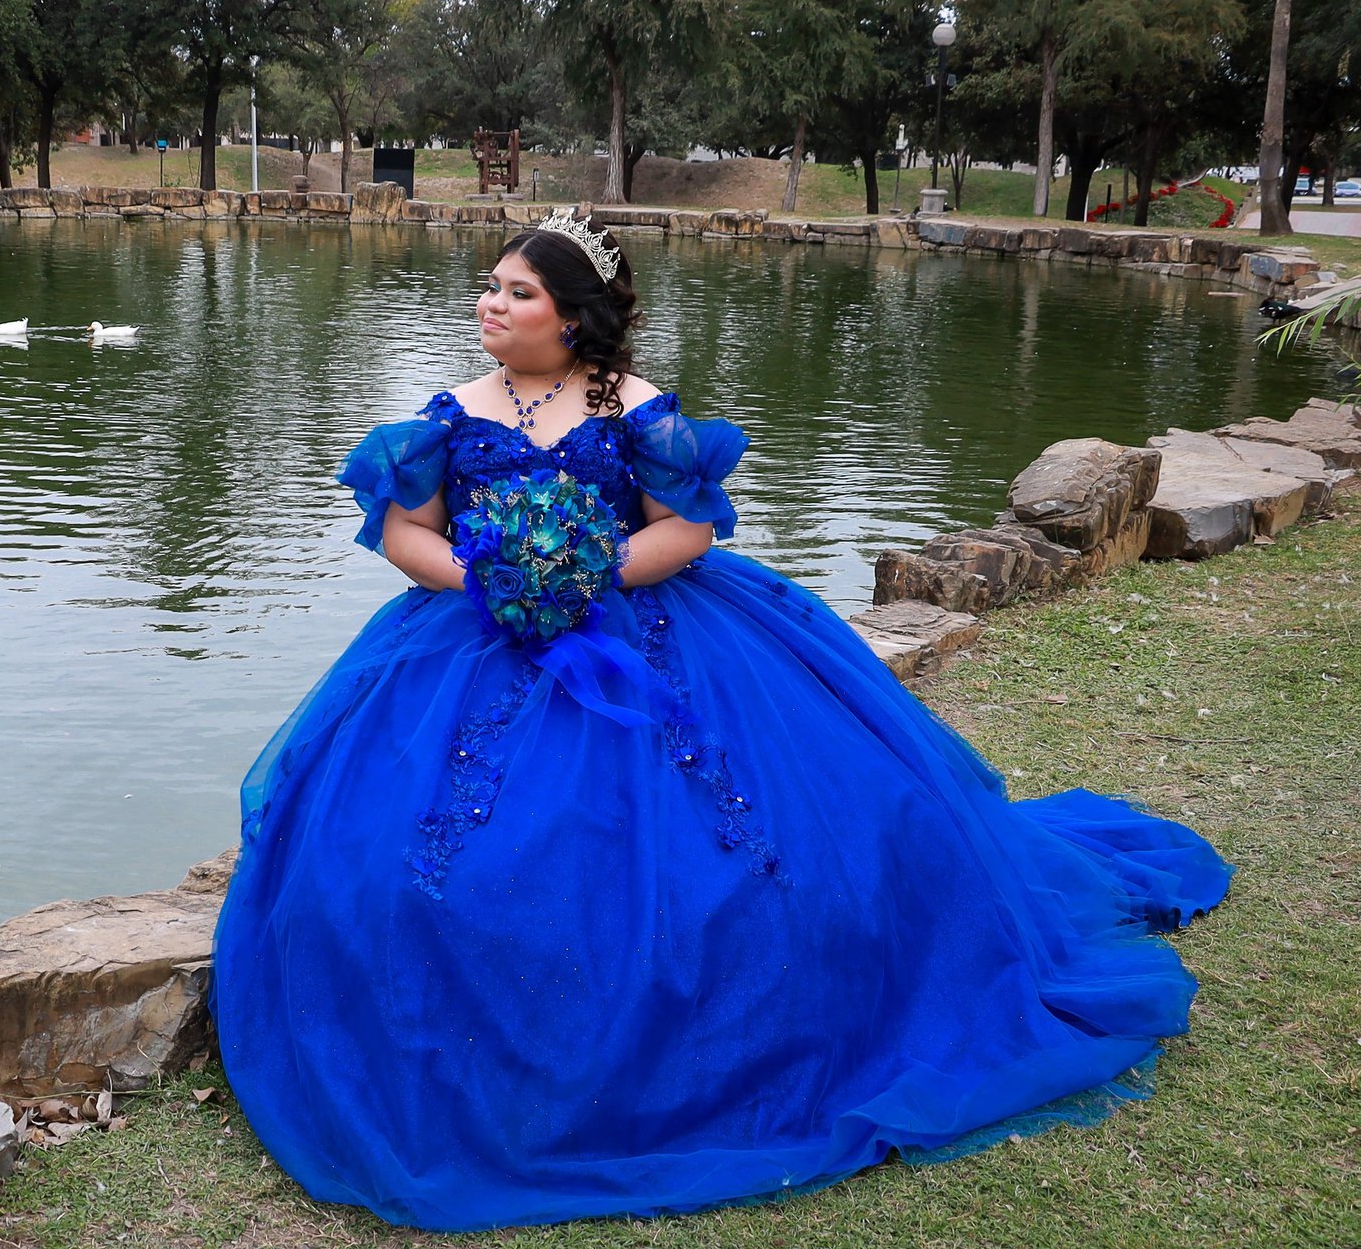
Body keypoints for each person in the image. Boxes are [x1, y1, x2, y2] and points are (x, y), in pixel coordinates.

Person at [210, 210, 1231, 1232]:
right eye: (491, 285)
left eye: (519, 292)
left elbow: (687, 529)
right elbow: (406, 531)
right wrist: (490, 581)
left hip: (645, 627)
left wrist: (586, 573)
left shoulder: (633, 406)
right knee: (408, 857)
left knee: (747, 852)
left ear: (573, 318)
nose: (492, 304)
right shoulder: (450, 413)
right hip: (475, 638)